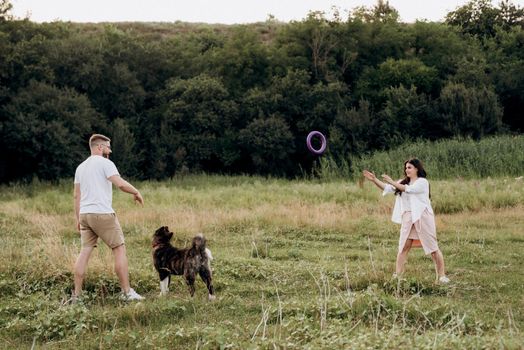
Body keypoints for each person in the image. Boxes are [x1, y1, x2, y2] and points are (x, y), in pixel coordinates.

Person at [72, 134, 145, 302]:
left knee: (84, 252)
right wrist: (136, 191)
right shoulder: (106, 163)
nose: (109, 151)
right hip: (102, 214)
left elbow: (77, 196)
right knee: (119, 249)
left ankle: (76, 295)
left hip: (85, 215)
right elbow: (120, 184)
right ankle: (127, 292)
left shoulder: (80, 167)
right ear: (99, 147)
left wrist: (78, 218)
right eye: (108, 148)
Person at [363, 158, 450, 284]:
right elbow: (387, 188)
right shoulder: (402, 182)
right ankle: (398, 276)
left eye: (409, 167)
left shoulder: (422, 182)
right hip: (408, 218)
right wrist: (374, 180)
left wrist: (392, 182)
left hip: (422, 217)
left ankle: (441, 276)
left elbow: (408, 189)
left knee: (433, 248)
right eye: (406, 167)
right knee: (403, 247)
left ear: (416, 169)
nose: (406, 170)